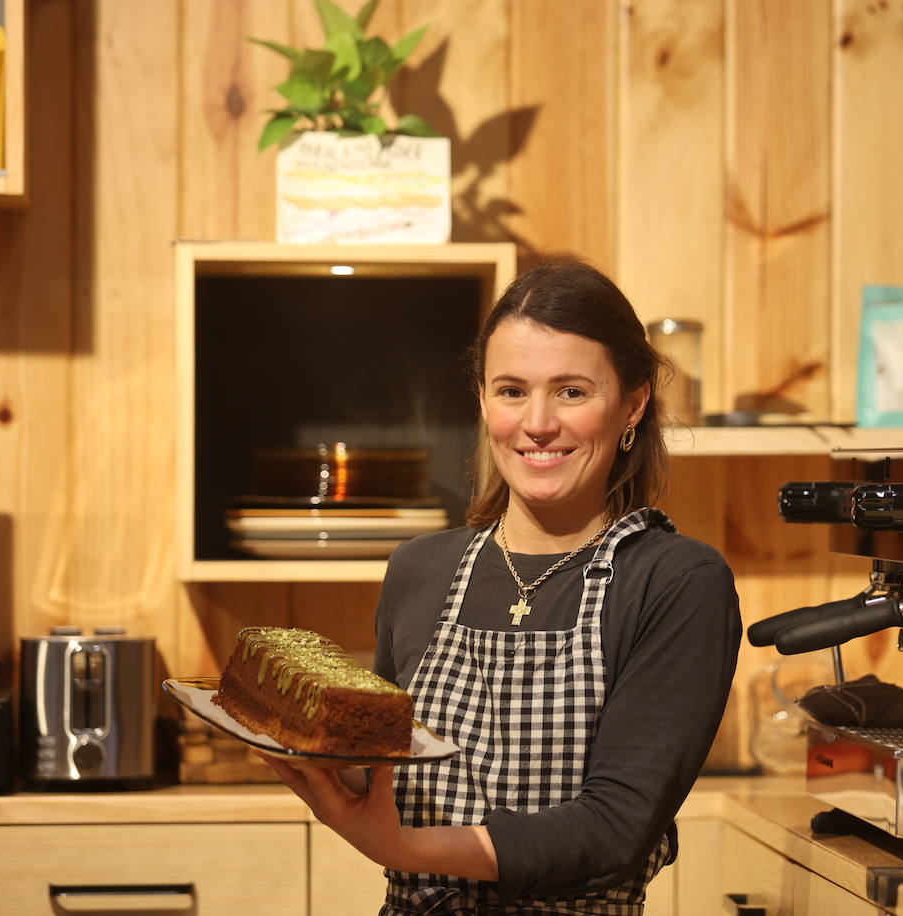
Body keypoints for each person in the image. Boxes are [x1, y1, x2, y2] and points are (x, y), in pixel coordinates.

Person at [263, 257, 742, 915]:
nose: (537, 423)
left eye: (572, 392)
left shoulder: (676, 581)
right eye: (512, 390)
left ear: (633, 404)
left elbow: (614, 831)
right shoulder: (420, 570)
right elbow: (383, 765)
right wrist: (300, 746)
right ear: (484, 399)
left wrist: (398, 847)